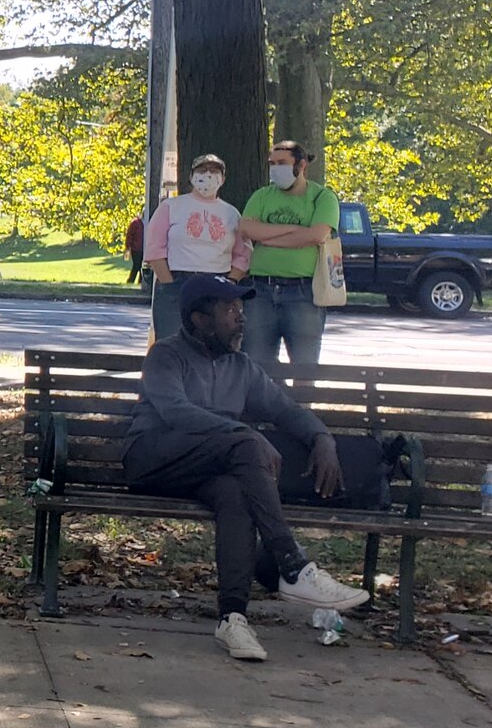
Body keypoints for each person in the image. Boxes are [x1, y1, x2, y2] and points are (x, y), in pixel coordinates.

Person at [125, 275, 369, 660]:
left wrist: (323, 438)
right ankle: (292, 565)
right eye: (229, 311)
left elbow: (285, 410)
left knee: (235, 495)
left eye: (241, 310)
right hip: (153, 459)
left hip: (206, 468)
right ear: (200, 319)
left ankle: (232, 618)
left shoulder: (242, 366)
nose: (241, 319)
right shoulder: (166, 355)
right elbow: (177, 413)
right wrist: (244, 433)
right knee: (244, 442)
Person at [240, 139, 340, 369]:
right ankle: (261, 406)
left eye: (282, 163)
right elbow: (247, 229)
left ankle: (301, 405)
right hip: (260, 291)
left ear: (301, 165)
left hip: (303, 292)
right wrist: (294, 230)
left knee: (305, 365)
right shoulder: (262, 196)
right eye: (272, 163)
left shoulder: (322, 198)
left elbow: (316, 235)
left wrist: (266, 237)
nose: (276, 168)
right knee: (256, 362)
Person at [141, 158, 251, 340]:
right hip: (177, 280)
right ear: (191, 176)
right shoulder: (171, 207)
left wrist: (231, 282)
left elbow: (242, 254)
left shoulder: (231, 213)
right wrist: (169, 283)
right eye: (202, 170)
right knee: (172, 342)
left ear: (223, 179)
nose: (208, 175)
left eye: (215, 171)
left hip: (217, 282)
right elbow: (154, 249)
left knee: (216, 342)